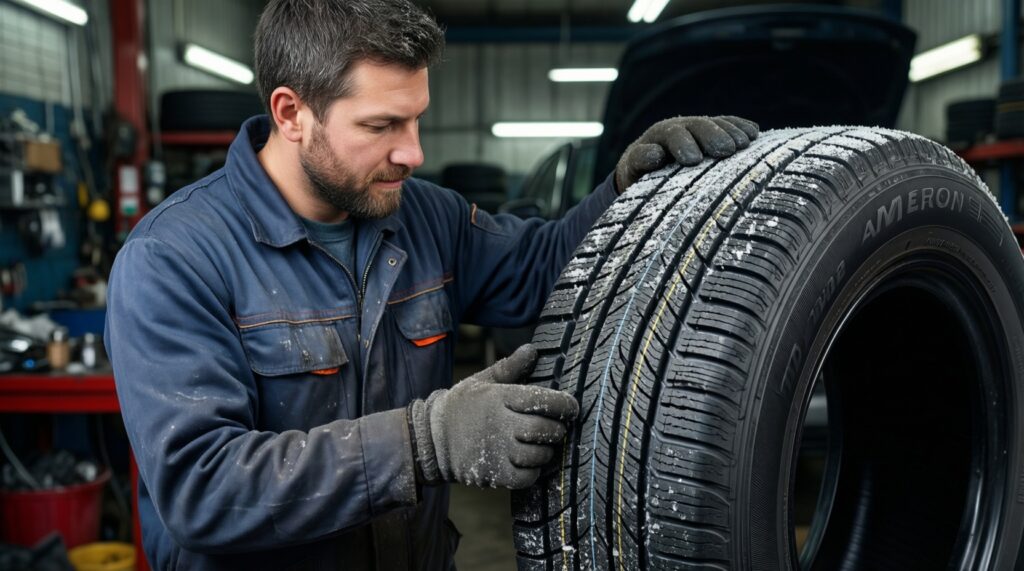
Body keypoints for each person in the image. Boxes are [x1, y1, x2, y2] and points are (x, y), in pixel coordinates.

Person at [104, 1, 759, 569]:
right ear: (291, 112)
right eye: (382, 125)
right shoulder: (175, 258)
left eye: (415, 119)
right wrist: (427, 440)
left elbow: (542, 268)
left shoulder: (426, 217)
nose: (413, 152)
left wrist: (625, 195)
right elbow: (202, 487)